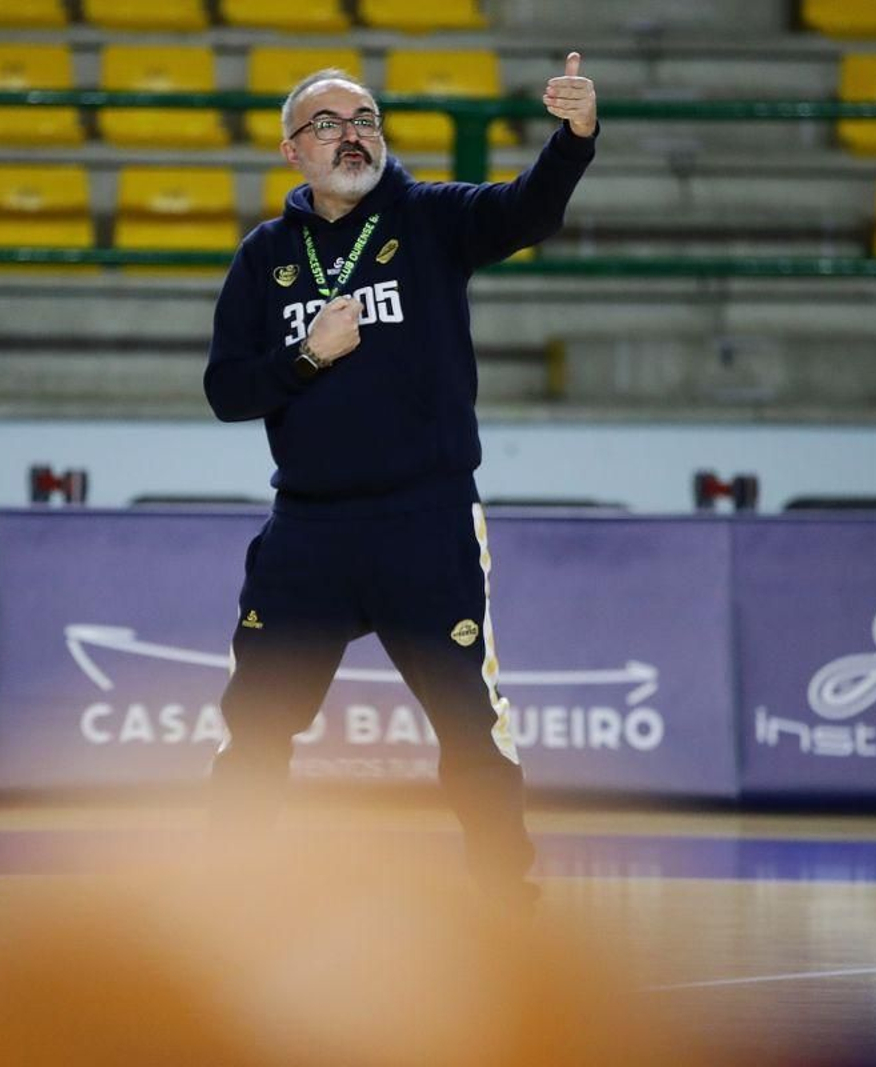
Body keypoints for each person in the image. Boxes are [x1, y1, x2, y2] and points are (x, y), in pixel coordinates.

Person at [203, 56, 598, 906]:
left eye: (368, 118)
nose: (354, 134)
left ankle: (504, 886)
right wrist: (309, 355)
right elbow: (226, 391)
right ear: (290, 151)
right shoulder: (264, 257)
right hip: (307, 529)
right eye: (330, 123)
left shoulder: (431, 220)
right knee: (257, 722)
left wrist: (573, 138)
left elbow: (529, 208)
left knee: (467, 720)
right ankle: (222, 888)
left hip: (424, 520)